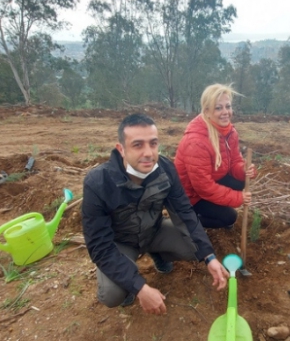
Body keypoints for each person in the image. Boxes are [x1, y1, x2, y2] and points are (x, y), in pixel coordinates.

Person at [81, 114, 229, 315]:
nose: (148, 153)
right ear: (121, 149)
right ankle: (126, 288)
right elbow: (100, 247)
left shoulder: (165, 170)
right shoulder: (98, 183)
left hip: (154, 230)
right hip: (120, 243)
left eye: (153, 143)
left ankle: (157, 253)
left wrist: (209, 256)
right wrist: (139, 286)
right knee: (112, 294)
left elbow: (184, 212)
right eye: (138, 145)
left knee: (196, 249)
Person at [174, 84, 256, 229]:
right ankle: (189, 221)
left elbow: (234, 161)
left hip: (211, 179)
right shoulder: (196, 142)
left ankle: (214, 208)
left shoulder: (229, 132)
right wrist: (237, 198)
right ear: (207, 111)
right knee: (230, 218)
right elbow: (203, 188)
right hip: (190, 196)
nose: (225, 112)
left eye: (228, 106)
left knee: (240, 182)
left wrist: (244, 170)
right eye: (218, 108)